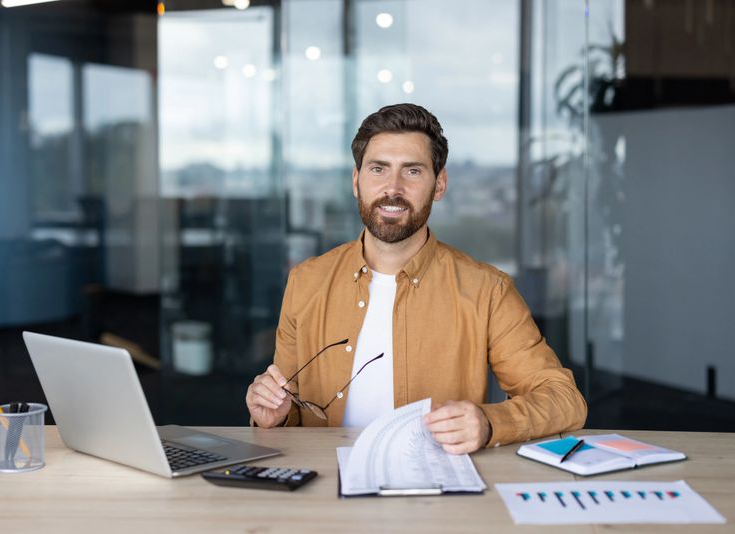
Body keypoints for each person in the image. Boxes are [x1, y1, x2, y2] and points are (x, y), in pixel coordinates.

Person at [245, 104, 586, 453]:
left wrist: (489, 423)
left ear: (439, 185)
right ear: (356, 181)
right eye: (378, 169)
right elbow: (286, 404)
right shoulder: (306, 282)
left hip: (437, 491)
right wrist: (274, 415)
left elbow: (563, 398)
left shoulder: (487, 290)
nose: (392, 188)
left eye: (412, 171)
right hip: (326, 487)